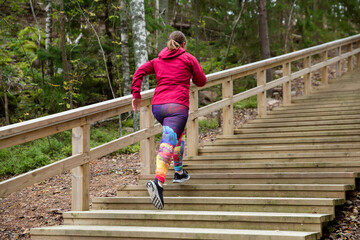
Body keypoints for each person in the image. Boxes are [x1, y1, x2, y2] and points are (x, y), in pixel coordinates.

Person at [131, 31, 207, 209]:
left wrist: (136, 95)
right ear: (184, 44)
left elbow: (140, 71)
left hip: (158, 106)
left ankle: (179, 172)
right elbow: (201, 81)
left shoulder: (158, 61)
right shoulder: (188, 58)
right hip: (177, 106)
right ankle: (158, 181)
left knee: (177, 135)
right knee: (168, 140)